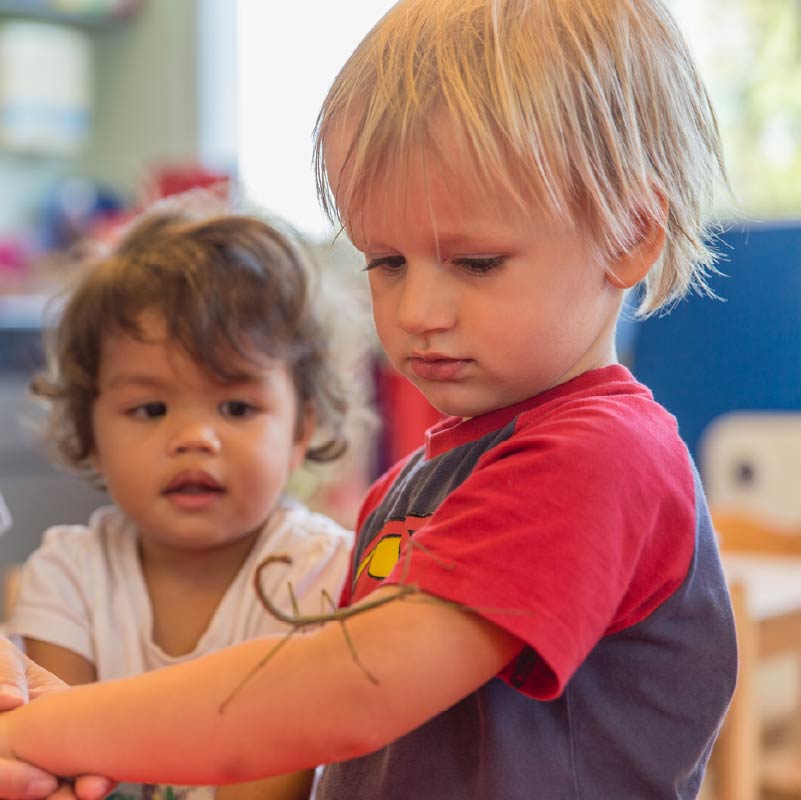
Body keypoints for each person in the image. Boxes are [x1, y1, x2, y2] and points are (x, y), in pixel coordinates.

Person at [0, 1, 737, 797]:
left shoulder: (597, 458)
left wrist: (56, 728)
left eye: (477, 262)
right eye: (385, 261)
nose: (417, 311)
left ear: (629, 234)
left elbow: (347, 688)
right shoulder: (427, 478)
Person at [4, 207, 355, 800]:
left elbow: (273, 784)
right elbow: (56, 766)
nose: (195, 438)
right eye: (150, 409)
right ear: (90, 433)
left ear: (301, 430)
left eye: (237, 408)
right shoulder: (67, 573)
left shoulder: (321, 571)